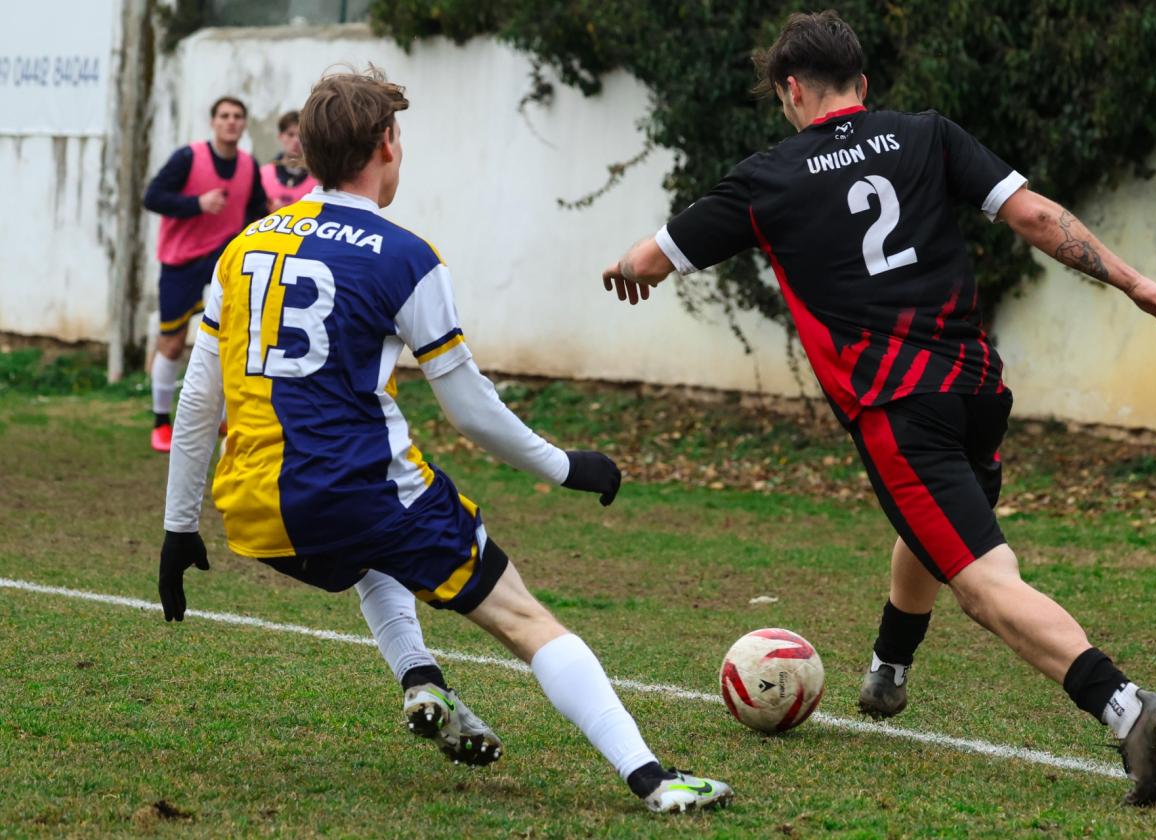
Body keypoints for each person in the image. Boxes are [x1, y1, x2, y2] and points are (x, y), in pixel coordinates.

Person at [600, 12, 1156, 808]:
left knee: (984, 582)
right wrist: (1136, 282)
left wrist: (629, 268)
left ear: (792, 90)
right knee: (936, 529)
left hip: (899, 406)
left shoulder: (767, 179)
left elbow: (648, 259)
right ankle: (888, 668)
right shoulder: (928, 135)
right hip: (976, 388)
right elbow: (1034, 216)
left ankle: (1123, 707)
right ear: (863, 84)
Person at [156, 66, 732, 814]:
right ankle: (653, 778)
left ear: (310, 153)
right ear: (387, 145)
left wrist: (178, 527)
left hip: (255, 510)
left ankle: (421, 677)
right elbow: (472, 412)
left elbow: (197, 398)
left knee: (368, 552)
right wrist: (566, 466)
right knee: (522, 617)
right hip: (364, 490)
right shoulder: (405, 256)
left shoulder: (240, 249)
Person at [143, 96, 268, 452]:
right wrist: (196, 204)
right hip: (181, 260)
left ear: (244, 124)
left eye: (238, 116)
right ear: (213, 122)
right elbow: (152, 197)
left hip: (223, 262)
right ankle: (160, 421)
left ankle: (226, 418)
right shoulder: (188, 157)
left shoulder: (249, 165)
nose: (231, 121)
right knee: (172, 340)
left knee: (232, 337)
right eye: (224, 115)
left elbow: (255, 212)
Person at [261, 110, 318, 212]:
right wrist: (266, 210)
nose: (296, 140)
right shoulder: (263, 174)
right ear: (280, 136)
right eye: (290, 134)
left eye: (301, 136)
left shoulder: (317, 177)